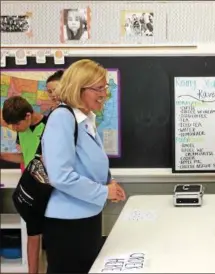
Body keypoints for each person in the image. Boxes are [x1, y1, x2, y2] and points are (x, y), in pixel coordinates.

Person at [41, 59, 126, 273]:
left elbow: (88, 162)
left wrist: (109, 183)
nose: (104, 94)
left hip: (86, 218)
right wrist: (103, 191)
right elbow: (61, 176)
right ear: (78, 88)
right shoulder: (62, 118)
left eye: (104, 87)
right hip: (68, 225)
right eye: (98, 88)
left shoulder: (86, 119)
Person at [0, 96, 48, 274]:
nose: (14, 129)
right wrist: (2, 155)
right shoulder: (22, 129)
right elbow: (24, 157)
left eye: (16, 124)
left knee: (51, 236)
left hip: (49, 188)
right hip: (31, 187)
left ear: (28, 115)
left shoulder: (50, 127)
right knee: (32, 234)